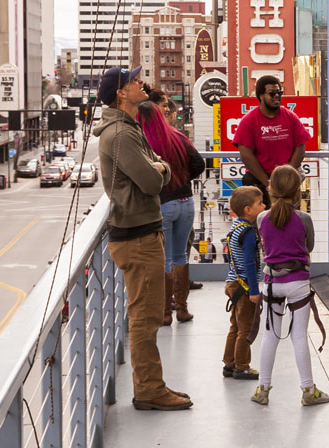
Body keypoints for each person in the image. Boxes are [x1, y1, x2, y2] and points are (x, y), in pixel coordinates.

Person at [93, 66, 192, 411]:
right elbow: (152, 181)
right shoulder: (121, 134)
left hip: (141, 231)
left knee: (146, 315)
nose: (141, 83)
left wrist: (159, 168)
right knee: (145, 318)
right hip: (137, 236)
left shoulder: (128, 128)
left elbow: (158, 166)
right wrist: (160, 169)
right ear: (121, 93)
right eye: (134, 80)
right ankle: (149, 390)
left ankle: (152, 385)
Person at [251, 165, 329, 407]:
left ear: (270, 190)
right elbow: (309, 246)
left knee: (270, 336)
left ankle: (262, 389)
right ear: (297, 192)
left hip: (272, 284)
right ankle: (308, 390)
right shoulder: (304, 219)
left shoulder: (261, 218)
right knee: (299, 337)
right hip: (298, 283)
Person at [136, 98, 205, 326]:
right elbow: (199, 164)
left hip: (163, 204)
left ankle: (165, 312)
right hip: (186, 202)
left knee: (164, 259)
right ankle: (182, 309)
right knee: (180, 256)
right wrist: (182, 178)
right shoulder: (178, 136)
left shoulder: (144, 143)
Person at [234, 76, 310, 207]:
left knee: (290, 215)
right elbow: (246, 154)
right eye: (272, 93)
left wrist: (288, 176)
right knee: (261, 216)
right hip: (261, 178)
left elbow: (300, 147)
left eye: (279, 92)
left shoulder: (290, 117)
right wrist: (268, 183)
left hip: (286, 178)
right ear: (261, 96)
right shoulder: (249, 120)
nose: (277, 96)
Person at [223, 185, 264, 380]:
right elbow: (249, 262)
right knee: (246, 328)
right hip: (245, 285)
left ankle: (229, 363)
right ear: (248, 210)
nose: (264, 206)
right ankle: (242, 366)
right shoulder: (248, 232)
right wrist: (254, 290)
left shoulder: (236, 227)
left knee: (235, 326)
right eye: (260, 203)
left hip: (233, 283)